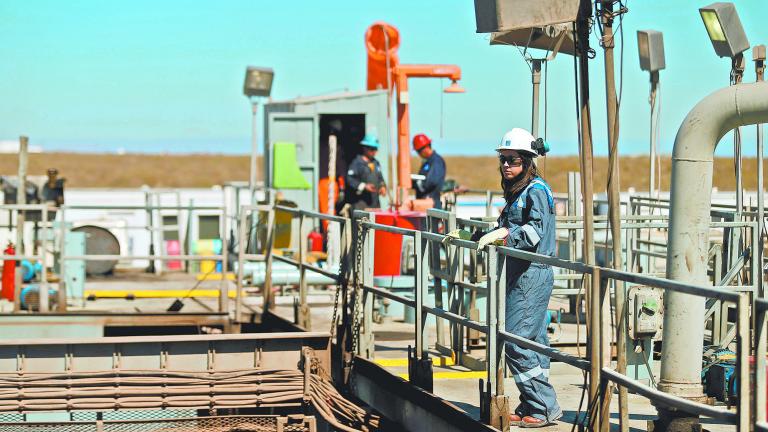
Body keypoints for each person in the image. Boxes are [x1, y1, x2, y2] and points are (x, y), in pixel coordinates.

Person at [449, 128, 559, 427]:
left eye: (513, 160)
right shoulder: (520, 192)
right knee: (532, 341)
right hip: (519, 272)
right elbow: (506, 229)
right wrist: (474, 234)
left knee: (515, 341)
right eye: (504, 160)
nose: (507, 165)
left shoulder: (536, 191)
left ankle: (544, 406)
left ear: (527, 161)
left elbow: (533, 232)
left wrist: (504, 236)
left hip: (531, 273)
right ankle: (532, 404)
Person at [344, 134, 387, 210]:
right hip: (361, 204)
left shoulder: (376, 163)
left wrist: (382, 187)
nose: (374, 151)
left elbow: (380, 179)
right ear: (365, 148)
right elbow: (349, 179)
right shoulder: (356, 163)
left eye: (375, 149)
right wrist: (364, 186)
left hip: (375, 204)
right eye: (372, 149)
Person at [412, 133, 446, 209]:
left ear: (426, 147)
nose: (418, 154)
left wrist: (417, 183)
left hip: (432, 204)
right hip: (424, 204)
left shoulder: (436, 161)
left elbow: (432, 181)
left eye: (418, 151)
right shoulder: (427, 162)